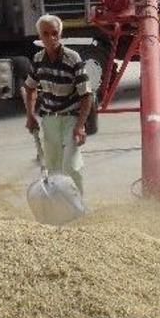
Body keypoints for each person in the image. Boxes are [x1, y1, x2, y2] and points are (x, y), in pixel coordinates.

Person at [23, 14, 93, 193]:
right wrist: (30, 116)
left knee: (71, 166)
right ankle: (60, 210)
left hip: (71, 118)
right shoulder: (38, 59)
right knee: (53, 169)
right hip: (49, 120)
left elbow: (86, 95)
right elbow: (30, 88)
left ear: (60, 34)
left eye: (55, 33)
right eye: (45, 34)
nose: (51, 38)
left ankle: (78, 206)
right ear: (40, 36)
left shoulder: (73, 58)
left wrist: (80, 126)